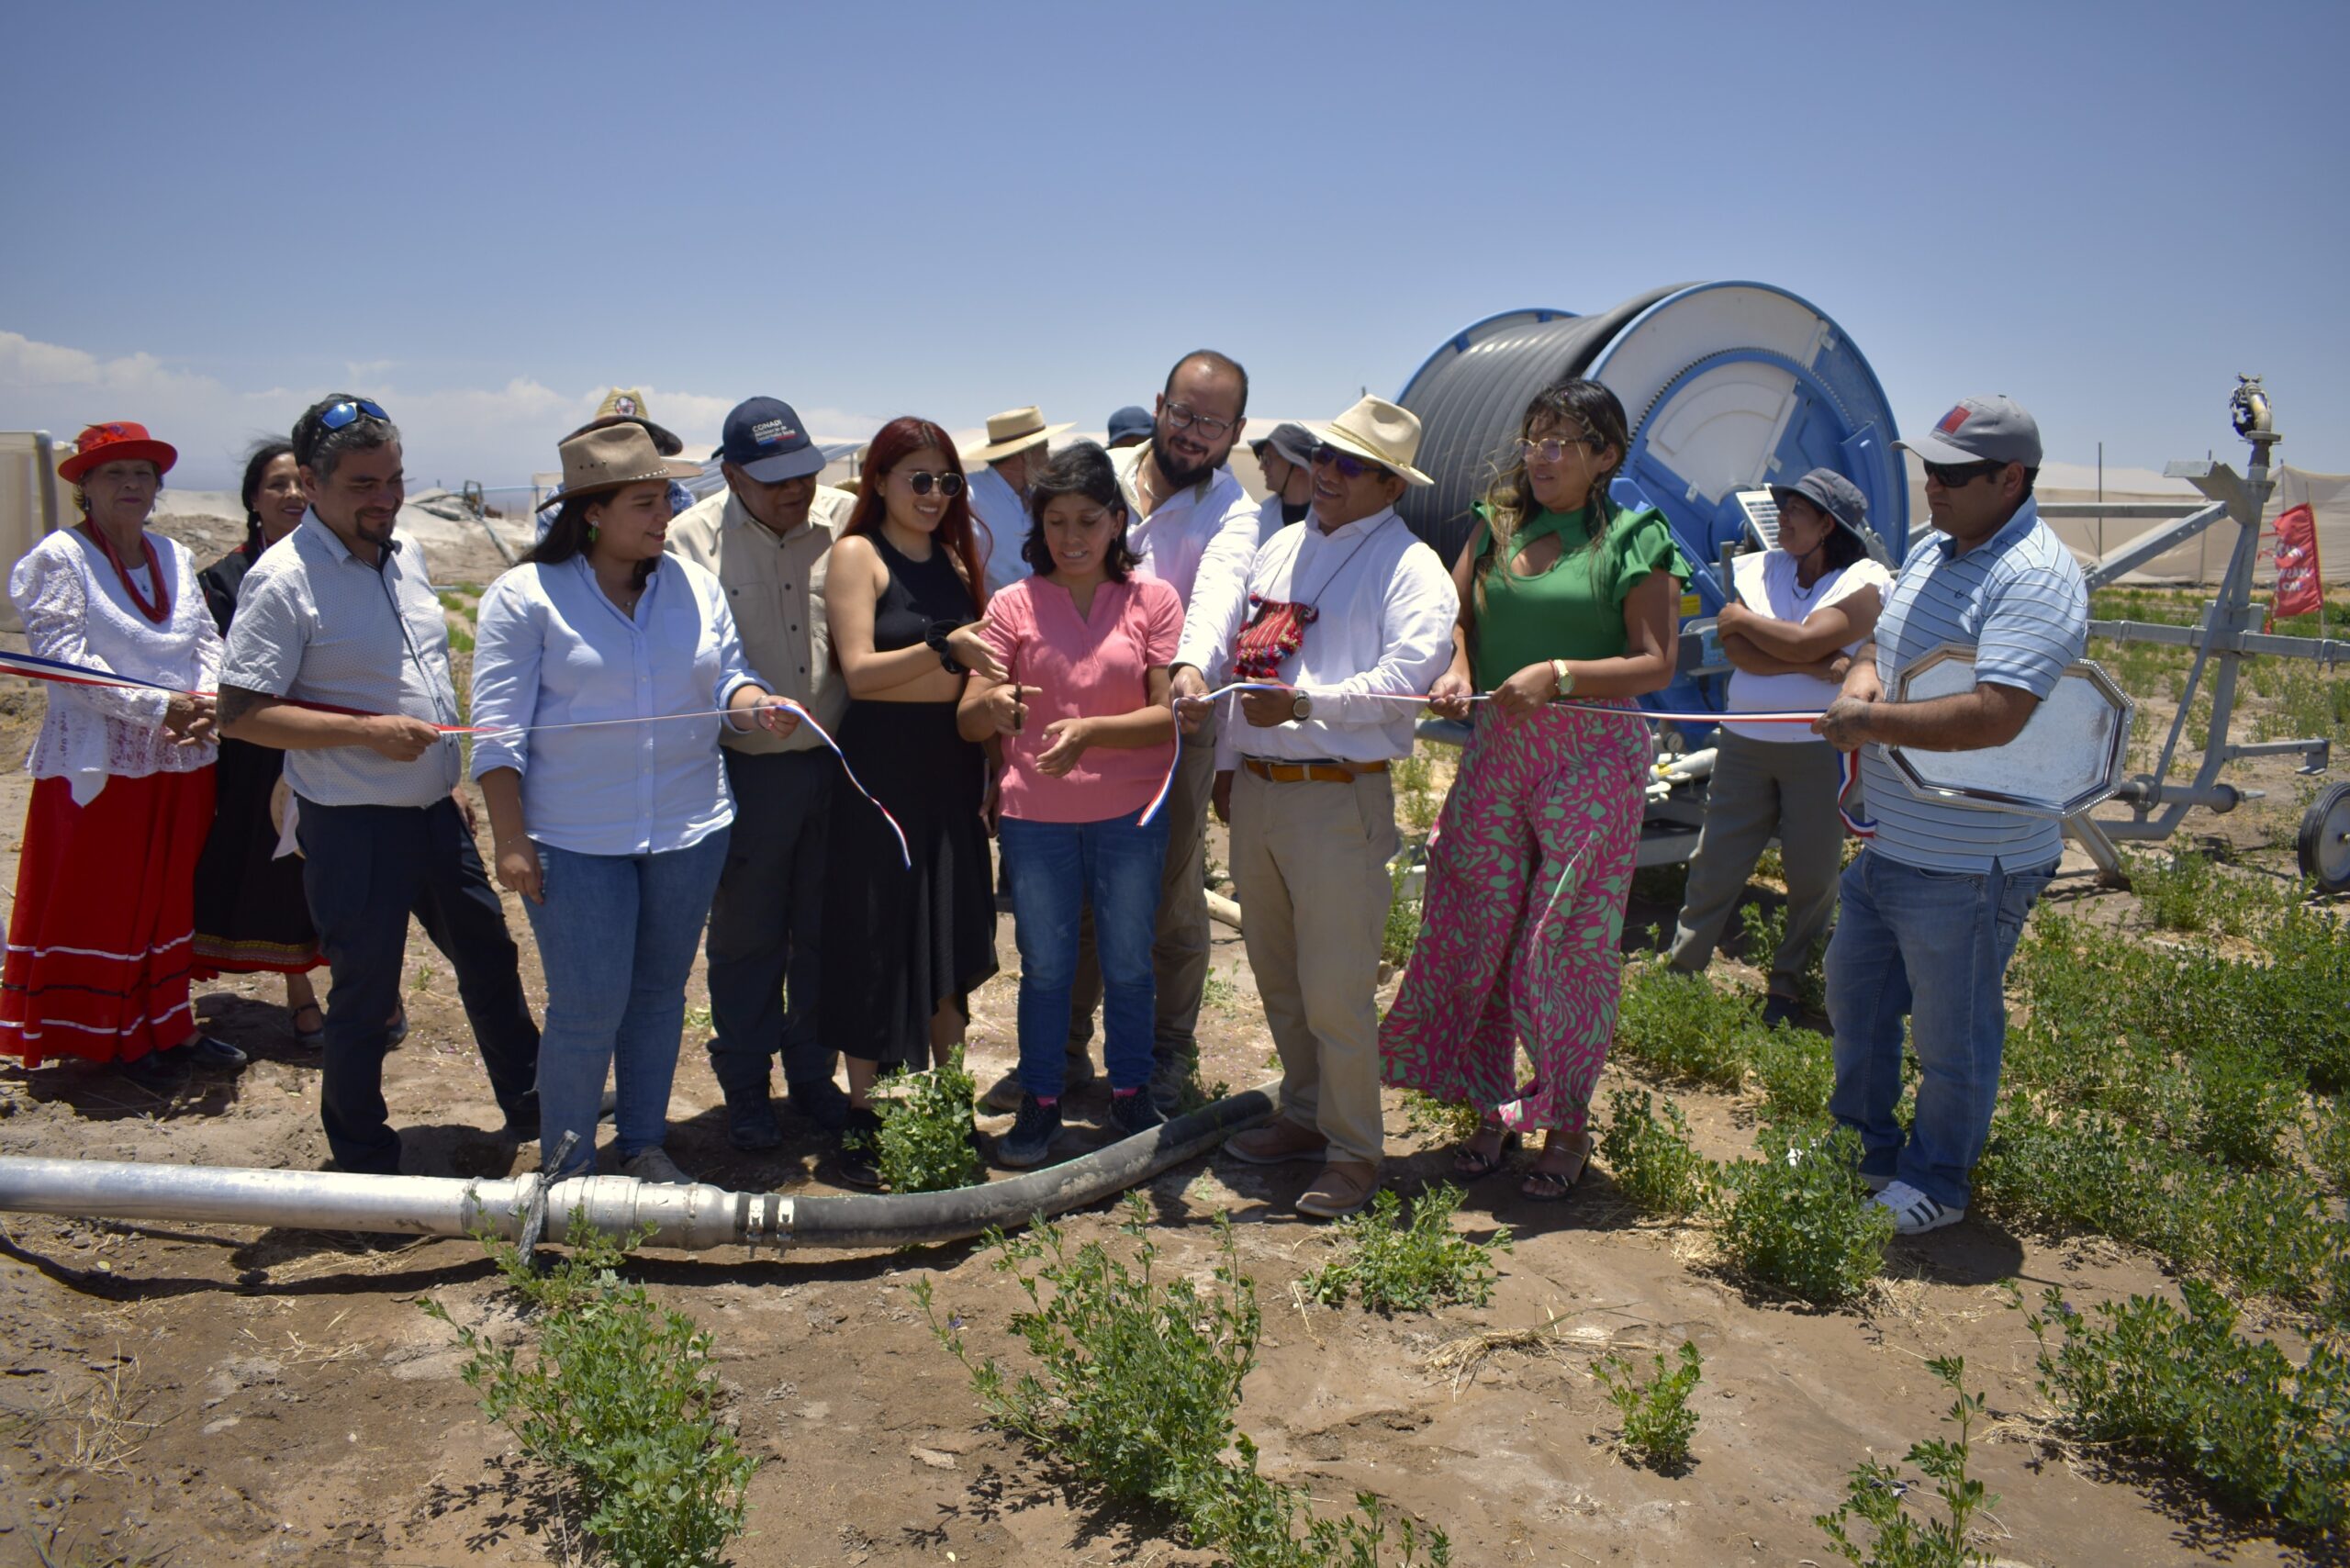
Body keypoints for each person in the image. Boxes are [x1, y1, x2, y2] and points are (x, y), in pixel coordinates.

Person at [1382, 379, 1689, 1201]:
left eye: (1565, 443)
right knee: (1477, 921)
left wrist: (1560, 675)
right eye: (1535, 439)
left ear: (1606, 458)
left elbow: (1657, 662)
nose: (1543, 456)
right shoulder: (1497, 524)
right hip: (1500, 748)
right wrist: (1455, 663)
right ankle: (1490, 1106)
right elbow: (1454, 614)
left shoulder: (1635, 536)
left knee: (1565, 939)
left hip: (1592, 753)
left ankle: (1565, 1122)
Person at [218, 395, 541, 1175]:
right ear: (313, 483)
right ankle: (362, 1158)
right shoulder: (283, 580)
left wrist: (444, 778)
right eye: (365, 483)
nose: (387, 498)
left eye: (394, 479)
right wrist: (367, 735)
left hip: (433, 812)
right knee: (366, 994)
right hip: (353, 826)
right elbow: (242, 712)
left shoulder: (407, 555)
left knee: (490, 957)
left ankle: (532, 1103)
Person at [472, 423, 786, 1182]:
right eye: (645, 503)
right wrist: (510, 837)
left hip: (688, 829)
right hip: (574, 840)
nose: (664, 517)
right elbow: (493, 729)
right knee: (585, 1007)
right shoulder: (526, 598)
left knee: (657, 997)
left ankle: (644, 1144)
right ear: (591, 512)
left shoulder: (691, 585)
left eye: (668, 500)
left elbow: (723, 676)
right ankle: (568, 1170)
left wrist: (749, 703)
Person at [1171, 397, 1457, 1219]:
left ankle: (1354, 1152)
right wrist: (1231, 765)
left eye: (1351, 464)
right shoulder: (1282, 548)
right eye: (1325, 456)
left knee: (1335, 989)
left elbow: (1407, 680)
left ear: (1391, 484)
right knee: (1278, 974)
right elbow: (1243, 660)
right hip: (1262, 793)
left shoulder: (1412, 569)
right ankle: (1303, 1114)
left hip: (1338, 798)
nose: (1328, 473)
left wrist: (1303, 707)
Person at [1814, 395, 2086, 1236]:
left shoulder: (2034, 576)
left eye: (1954, 474)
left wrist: (1870, 723)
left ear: (2011, 480)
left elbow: (1997, 713)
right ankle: (1861, 1151)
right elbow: (1878, 646)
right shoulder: (1938, 548)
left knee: (1952, 1034)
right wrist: (1863, 676)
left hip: (1972, 861)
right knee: (1856, 1001)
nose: (1931, 485)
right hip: (1897, 842)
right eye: (1927, 467)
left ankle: (1938, 1179)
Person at [979, 351, 1260, 1116]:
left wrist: (1189, 674)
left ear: (1235, 430)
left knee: (1164, 902)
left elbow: (1218, 594)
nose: (1192, 432)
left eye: (1211, 422)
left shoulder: (1232, 510)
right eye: (1182, 412)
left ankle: (1164, 1056)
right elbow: (1032, 572)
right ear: (1159, 404)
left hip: (1168, 714)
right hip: (1062, 722)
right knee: (1066, 913)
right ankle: (1062, 1055)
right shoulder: (1099, 473)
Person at [957, 442, 1181, 1166]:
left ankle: (1131, 1097)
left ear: (1118, 522)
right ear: (1038, 525)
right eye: (1056, 521)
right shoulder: (1011, 606)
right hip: (1036, 819)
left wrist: (1089, 734)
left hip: (1131, 812)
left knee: (1128, 964)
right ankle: (1042, 1104)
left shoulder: (1154, 601)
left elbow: (1167, 717)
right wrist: (993, 703)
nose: (1072, 536)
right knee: (1047, 967)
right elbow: (968, 717)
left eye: (1088, 519)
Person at [1, 421, 242, 1088]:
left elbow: (203, 639)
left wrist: (205, 700)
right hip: (102, 762)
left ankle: (167, 1025)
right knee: (106, 895)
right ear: (84, 486)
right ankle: (110, 1040)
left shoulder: (168, 555)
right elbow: (63, 662)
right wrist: (156, 706)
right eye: (114, 473)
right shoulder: (59, 559)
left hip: (179, 755)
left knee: (167, 893)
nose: (132, 485)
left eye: (143, 473)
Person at [666, 396, 862, 1148]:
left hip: (838, 766)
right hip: (744, 775)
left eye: (804, 473)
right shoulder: (688, 541)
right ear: (731, 475)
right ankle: (746, 1084)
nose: (795, 491)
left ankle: (813, 1076)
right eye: (774, 478)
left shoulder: (846, 521)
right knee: (747, 938)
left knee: (822, 931)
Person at [820, 416, 1005, 1186]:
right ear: (880, 482)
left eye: (947, 482)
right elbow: (861, 672)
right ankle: (866, 1115)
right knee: (874, 938)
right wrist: (941, 652)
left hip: (950, 769)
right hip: (878, 776)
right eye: (918, 480)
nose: (933, 496)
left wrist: (992, 760)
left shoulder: (961, 564)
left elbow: (977, 679)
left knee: (948, 936)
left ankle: (949, 1100)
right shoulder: (857, 555)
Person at [1667, 468, 1890, 1025]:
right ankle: (1680, 973)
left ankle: (1789, 987)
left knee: (1812, 873)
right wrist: (1819, 664)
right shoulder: (1763, 566)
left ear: (1828, 524)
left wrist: (1745, 620)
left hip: (1817, 746)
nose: (1782, 516)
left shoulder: (1865, 579)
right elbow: (1742, 654)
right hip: (1745, 740)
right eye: (1784, 505)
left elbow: (1800, 636)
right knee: (1715, 861)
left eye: (1797, 508)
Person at [191, 441, 329, 1038]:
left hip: (331, 744)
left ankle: (370, 995)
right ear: (254, 498)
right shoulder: (223, 580)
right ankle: (300, 994)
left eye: (300, 482)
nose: (292, 495)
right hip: (254, 755)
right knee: (274, 874)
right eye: (277, 485)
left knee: (340, 874)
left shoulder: (341, 568)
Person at [534, 388, 695, 541]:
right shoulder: (560, 502)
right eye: (609, 436)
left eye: (632, 437)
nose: (664, 513)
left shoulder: (678, 496)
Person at [964, 407, 1072, 594]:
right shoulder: (970, 493)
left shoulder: (1036, 498)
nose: (1047, 460)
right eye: (1044, 450)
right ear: (1025, 454)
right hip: (994, 616)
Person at [1248, 420, 1319, 543]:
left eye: (1267, 459)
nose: (1262, 467)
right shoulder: (1256, 518)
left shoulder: (1334, 521)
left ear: (1298, 467)